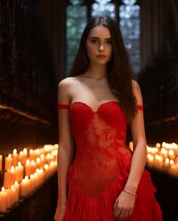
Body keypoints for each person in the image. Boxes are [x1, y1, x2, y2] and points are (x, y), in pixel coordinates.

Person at [54, 16, 162, 221]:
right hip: (81, 187)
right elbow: (65, 146)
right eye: (94, 41)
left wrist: (130, 190)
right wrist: (62, 202)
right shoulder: (67, 86)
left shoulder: (130, 88)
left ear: (116, 46)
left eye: (108, 42)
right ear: (84, 44)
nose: (101, 48)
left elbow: (140, 143)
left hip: (124, 185)